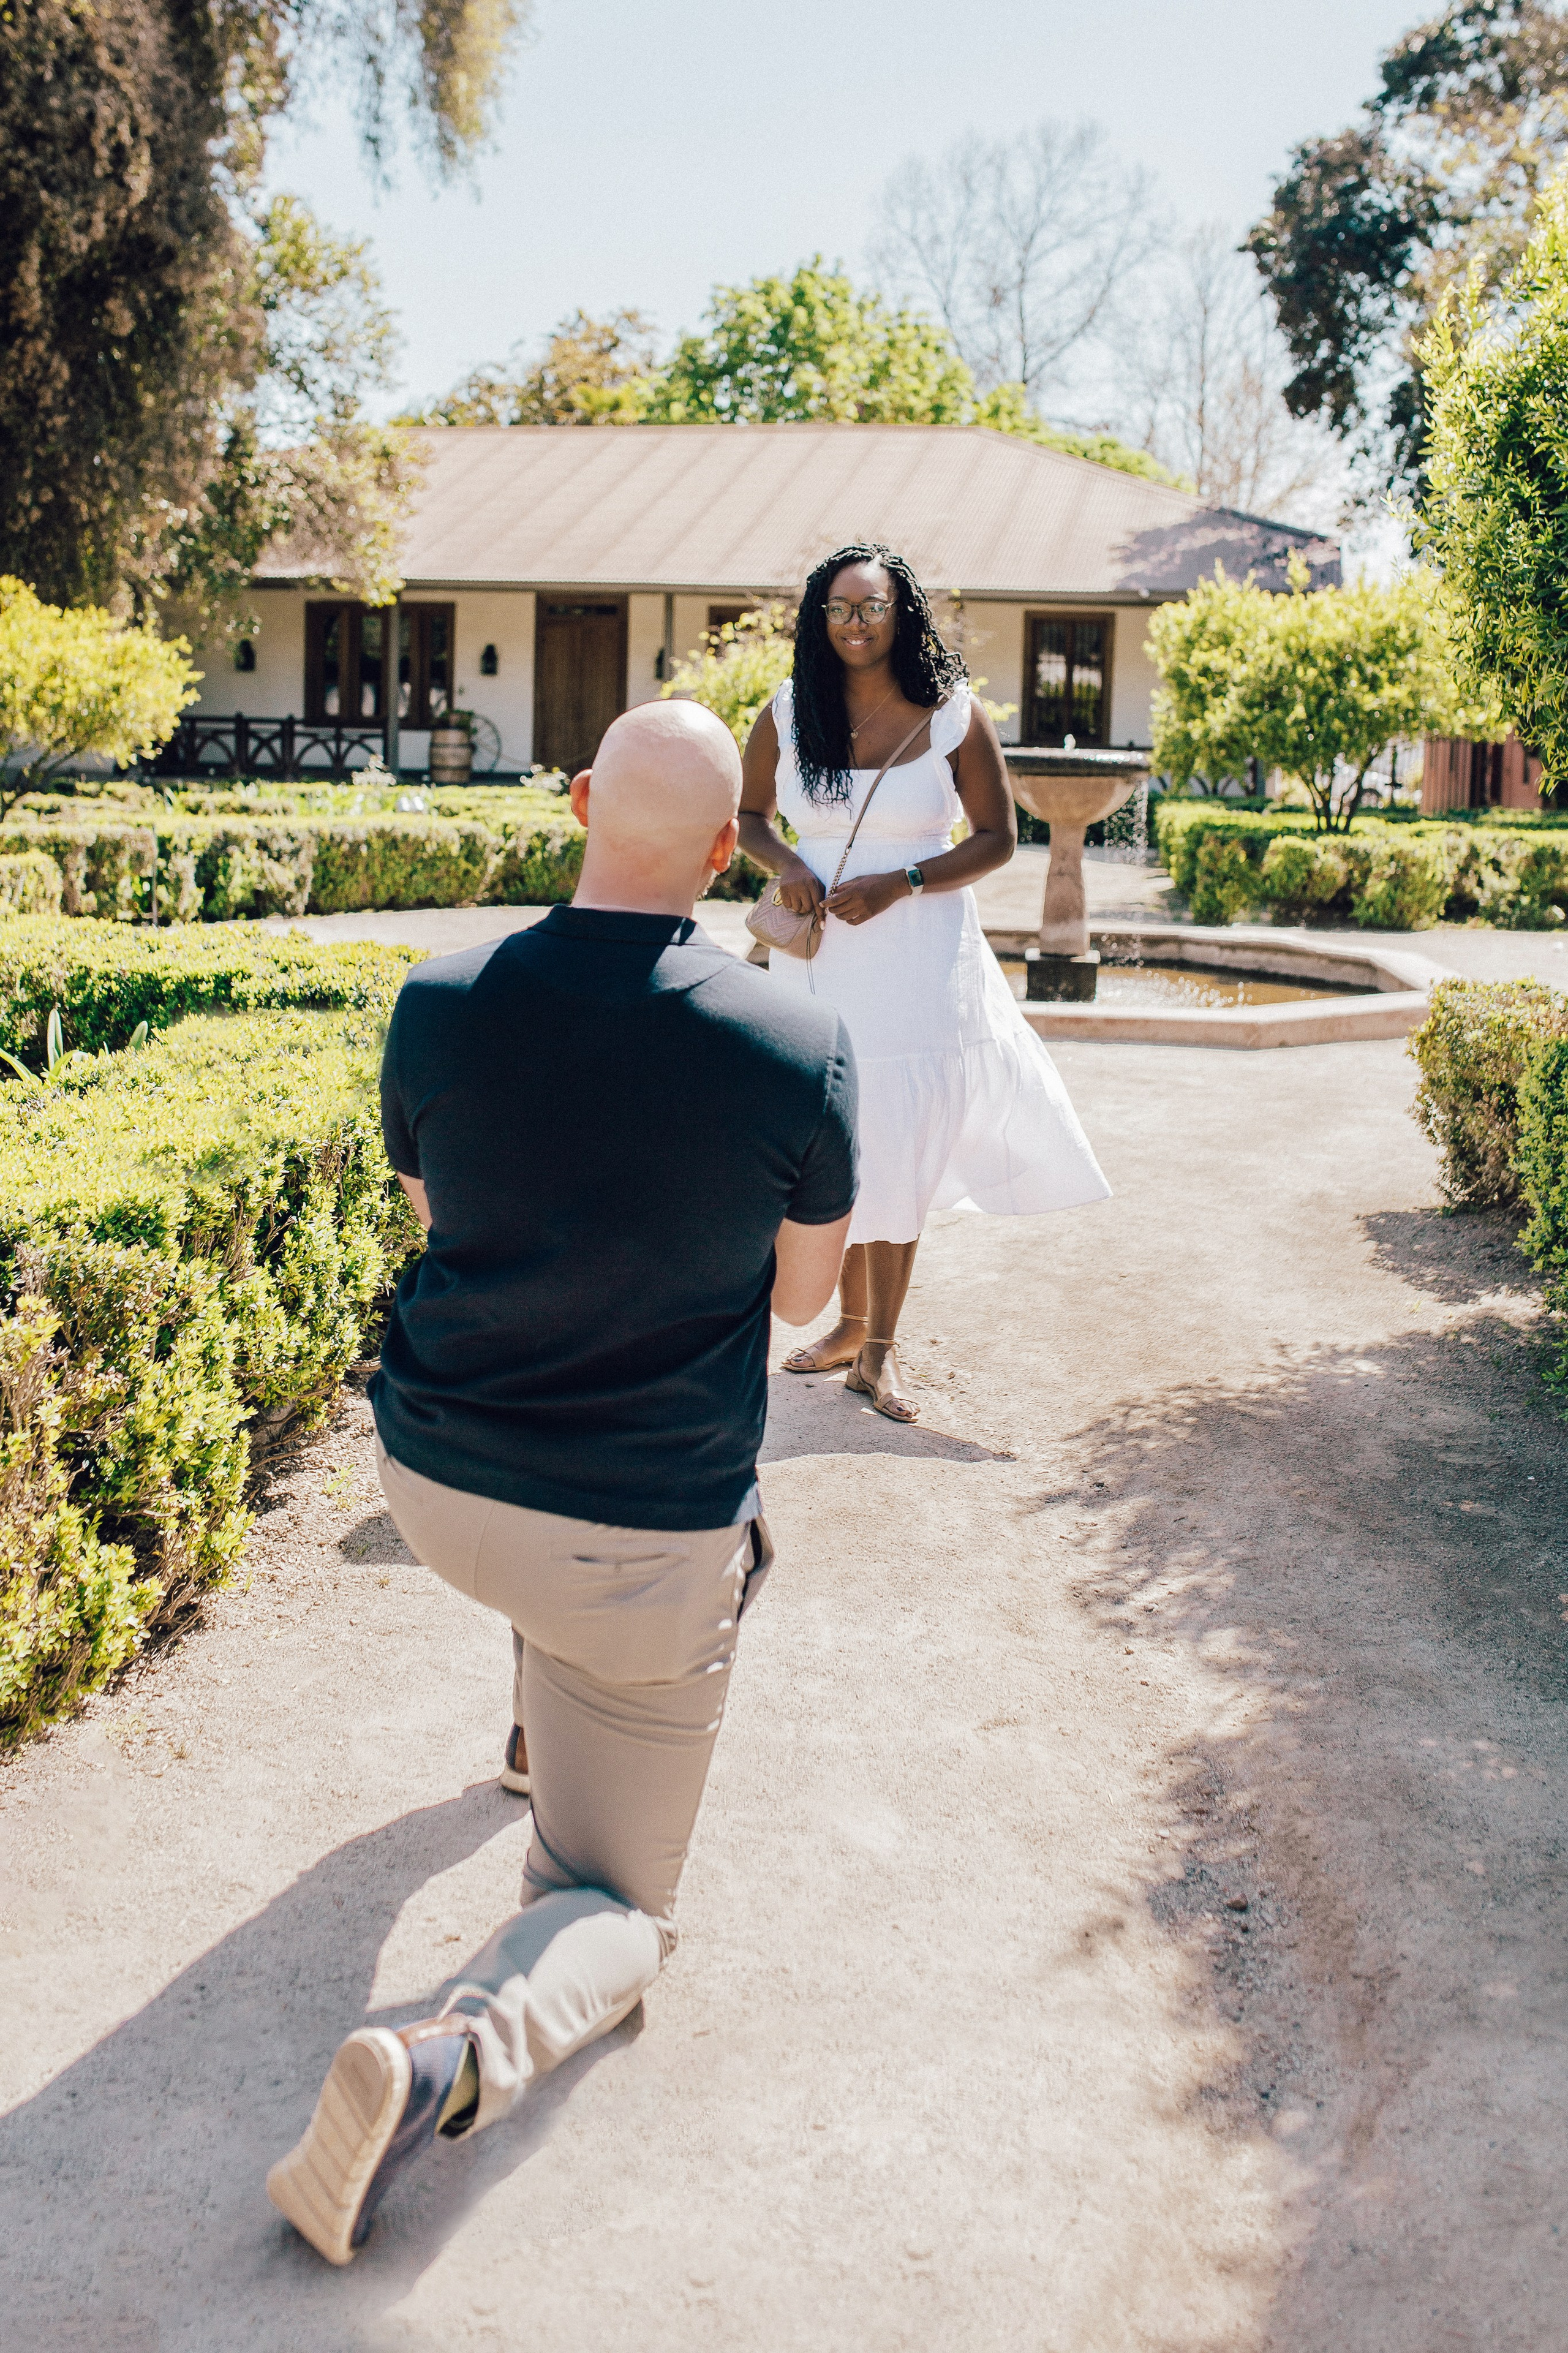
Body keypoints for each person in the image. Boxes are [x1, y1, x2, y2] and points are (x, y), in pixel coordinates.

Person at [266, 700, 856, 2266]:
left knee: (559, 1574)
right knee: (621, 1911)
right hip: (632, 1538)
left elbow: (433, 1206)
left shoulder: (438, 998)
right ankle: (454, 2057)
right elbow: (803, 1302)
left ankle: (543, 1730)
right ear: (727, 851)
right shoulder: (796, 1041)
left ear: (580, 800)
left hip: (435, 1482)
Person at [739, 541, 1109, 1423]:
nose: (855, 622)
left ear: (901, 612)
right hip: (818, 952)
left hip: (916, 955)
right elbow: (748, 816)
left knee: (898, 1131)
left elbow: (995, 837)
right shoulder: (790, 711)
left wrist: (903, 881)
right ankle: (845, 1323)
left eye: (871, 606)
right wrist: (788, 860)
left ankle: (879, 1351)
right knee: (834, 1138)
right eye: (839, 608)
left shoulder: (951, 715)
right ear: (817, 619)